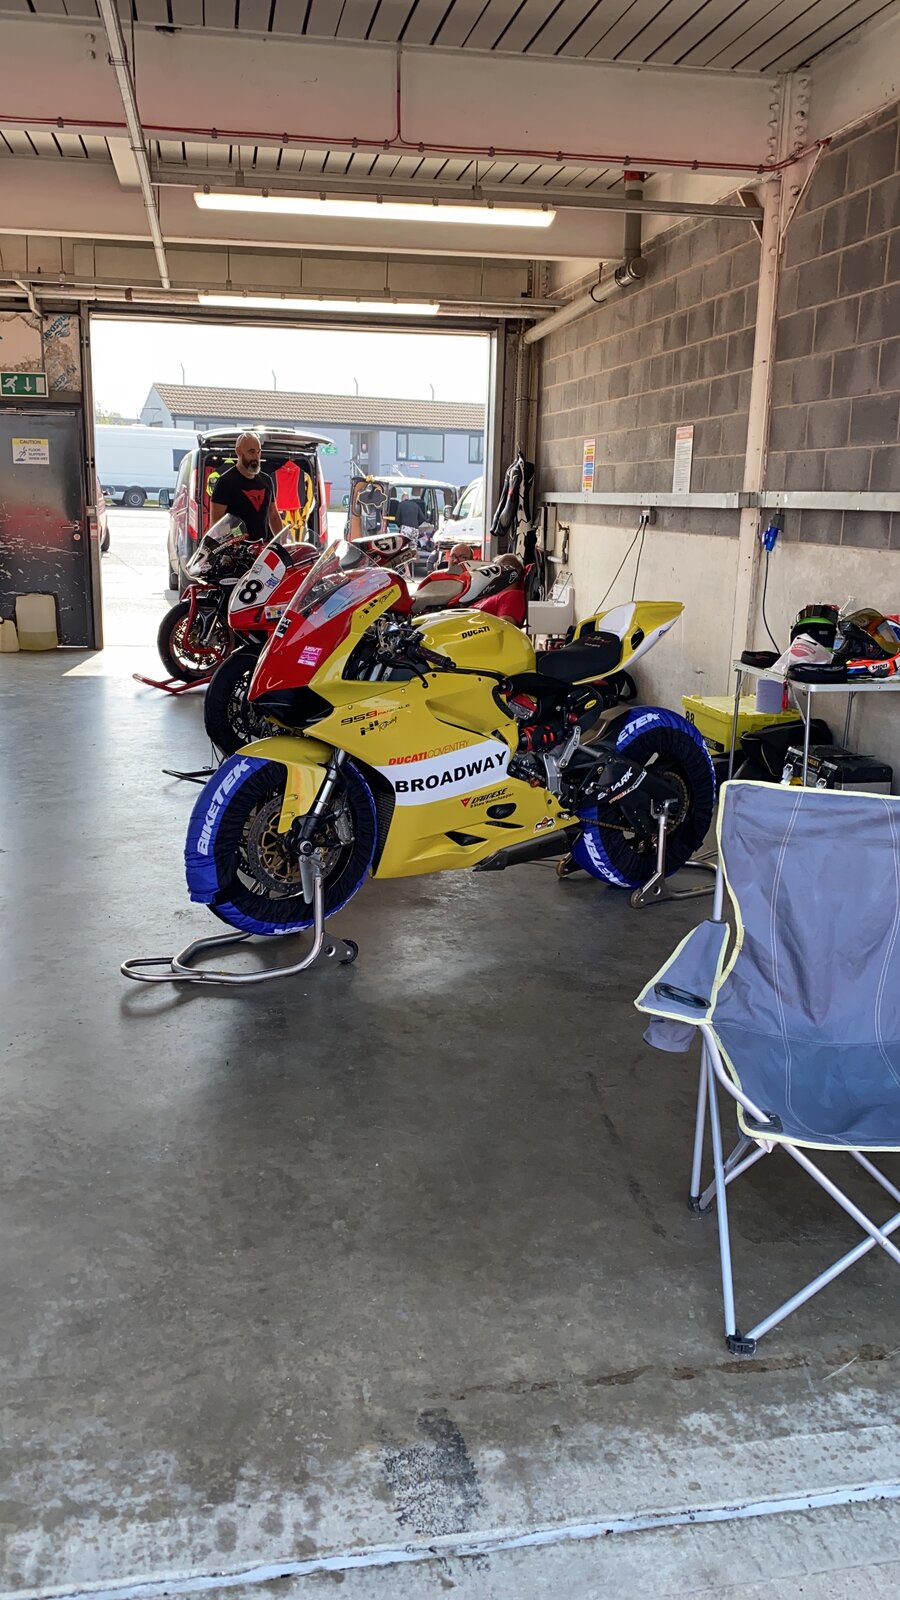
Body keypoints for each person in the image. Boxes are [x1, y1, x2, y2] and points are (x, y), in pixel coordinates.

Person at [210, 432, 284, 543]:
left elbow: (273, 515)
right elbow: (216, 522)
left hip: (262, 548)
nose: (256, 457)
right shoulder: (225, 482)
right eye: (251, 452)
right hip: (237, 550)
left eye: (258, 452)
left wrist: (283, 543)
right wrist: (230, 542)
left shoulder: (266, 481)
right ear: (238, 451)